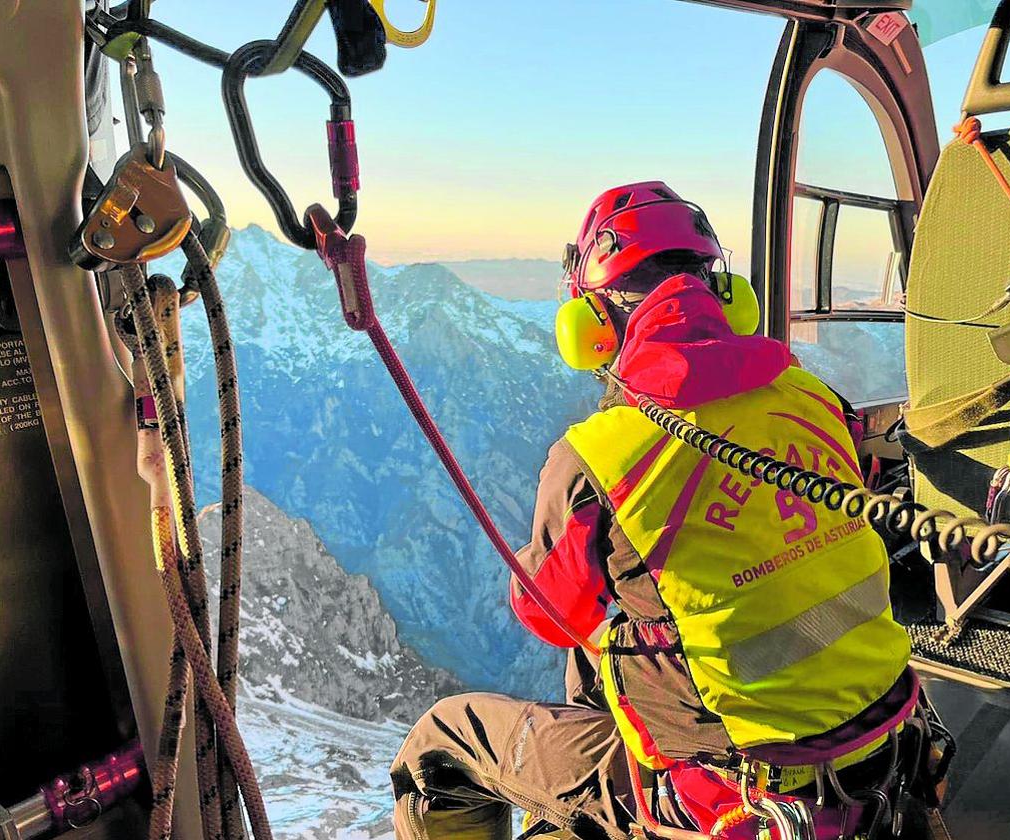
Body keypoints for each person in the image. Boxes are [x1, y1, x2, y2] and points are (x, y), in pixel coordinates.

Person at [390, 182, 912, 840]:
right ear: (728, 300)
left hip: (730, 800)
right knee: (609, 641)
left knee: (437, 746)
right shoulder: (816, 400)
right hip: (888, 753)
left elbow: (549, 616)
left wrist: (547, 545)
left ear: (594, 322)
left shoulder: (600, 456)